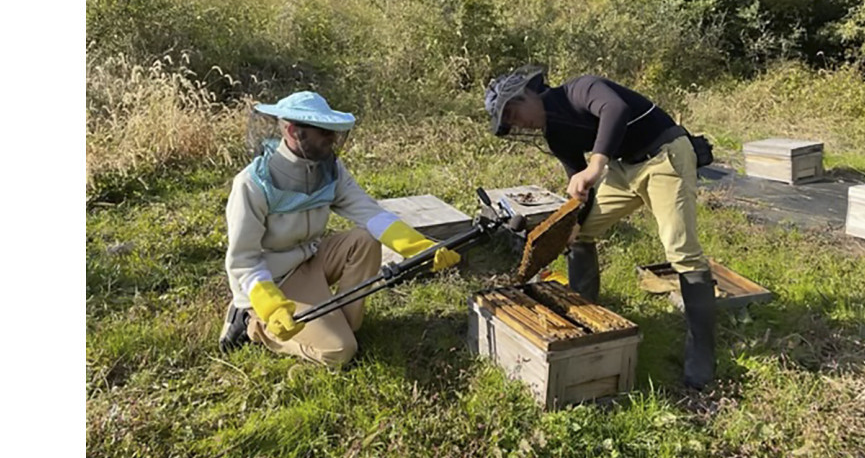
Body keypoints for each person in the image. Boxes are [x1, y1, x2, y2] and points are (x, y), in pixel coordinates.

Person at [484, 67, 716, 389]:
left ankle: (701, 353)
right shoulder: (556, 135)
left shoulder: (580, 89)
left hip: (665, 155)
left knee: (681, 250)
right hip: (625, 170)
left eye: (513, 112)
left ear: (529, 93)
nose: (517, 123)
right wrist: (574, 221)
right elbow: (580, 185)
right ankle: (584, 315)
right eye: (509, 122)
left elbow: (615, 109)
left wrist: (596, 164)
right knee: (582, 235)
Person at [218, 90, 461, 366]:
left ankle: (337, 324)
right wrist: (270, 305)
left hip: (312, 258)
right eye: (324, 131)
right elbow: (244, 261)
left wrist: (421, 248)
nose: (332, 139)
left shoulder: (329, 168)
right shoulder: (252, 184)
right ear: (293, 131)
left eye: (334, 131)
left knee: (365, 240)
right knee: (339, 351)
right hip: (275, 280)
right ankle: (251, 322)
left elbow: (368, 212)